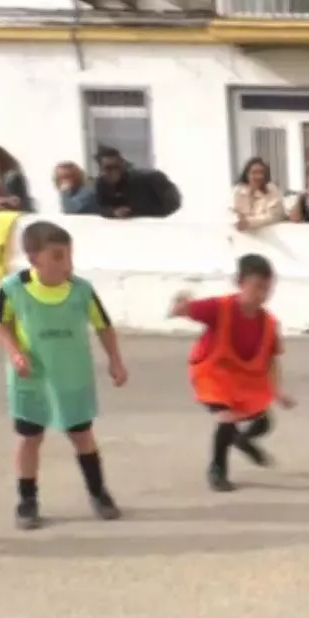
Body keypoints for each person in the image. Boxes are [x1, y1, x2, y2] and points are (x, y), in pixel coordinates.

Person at [0, 222, 128, 529]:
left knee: (82, 436)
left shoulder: (81, 290)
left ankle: (99, 493)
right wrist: (15, 352)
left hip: (72, 377)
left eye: (68, 256)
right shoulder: (14, 288)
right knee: (30, 438)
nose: (67, 264)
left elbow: (103, 326)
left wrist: (115, 360)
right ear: (33, 258)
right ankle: (27, 500)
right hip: (32, 379)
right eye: (57, 256)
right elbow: (0, 321)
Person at [170, 255, 293, 493]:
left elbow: (271, 359)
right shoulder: (219, 307)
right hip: (212, 373)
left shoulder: (268, 322)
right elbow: (185, 309)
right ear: (240, 282)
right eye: (256, 287)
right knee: (227, 417)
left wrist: (276, 391)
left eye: (267, 289)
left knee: (264, 422)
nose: (261, 295)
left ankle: (242, 439)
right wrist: (180, 305)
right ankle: (217, 469)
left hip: (243, 378)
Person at [94, 146, 181, 219]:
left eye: (117, 167)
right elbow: (101, 207)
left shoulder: (142, 180)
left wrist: (133, 211)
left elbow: (172, 203)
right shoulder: (102, 184)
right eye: (108, 168)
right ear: (100, 169)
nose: (114, 172)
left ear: (123, 166)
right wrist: (113, 212)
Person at [232, 157, 285, 232]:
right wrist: (237, 219)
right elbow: (229, 212)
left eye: (261, 173)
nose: (258, 176)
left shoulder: (272, 191)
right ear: (247, 174)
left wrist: (249, 222)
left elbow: (273, 216)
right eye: (254, 172)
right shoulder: (238, 191)